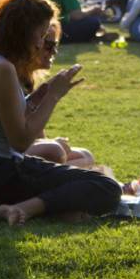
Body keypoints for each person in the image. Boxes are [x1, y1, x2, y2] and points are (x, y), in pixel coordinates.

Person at [0, 0, 121, 225]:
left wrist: (38, 96)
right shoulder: (2, 69)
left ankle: (15, 209)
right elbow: (20, 141)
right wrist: (53, 97)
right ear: (22, 32)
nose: (41, 43)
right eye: (42, 35)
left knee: (86, 173)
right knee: (105, 186)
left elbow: (5, 115)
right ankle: (27, 208)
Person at [24, 20, 97, 168]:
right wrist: (52, 96)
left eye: (55, 45)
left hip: (22, 148)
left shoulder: (27, 80)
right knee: (54, 150)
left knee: (85, 156)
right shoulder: (7, 75)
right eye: (49, 46)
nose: (54, 52)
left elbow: (37, 134)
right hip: (5, 153)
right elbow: (17, 138)